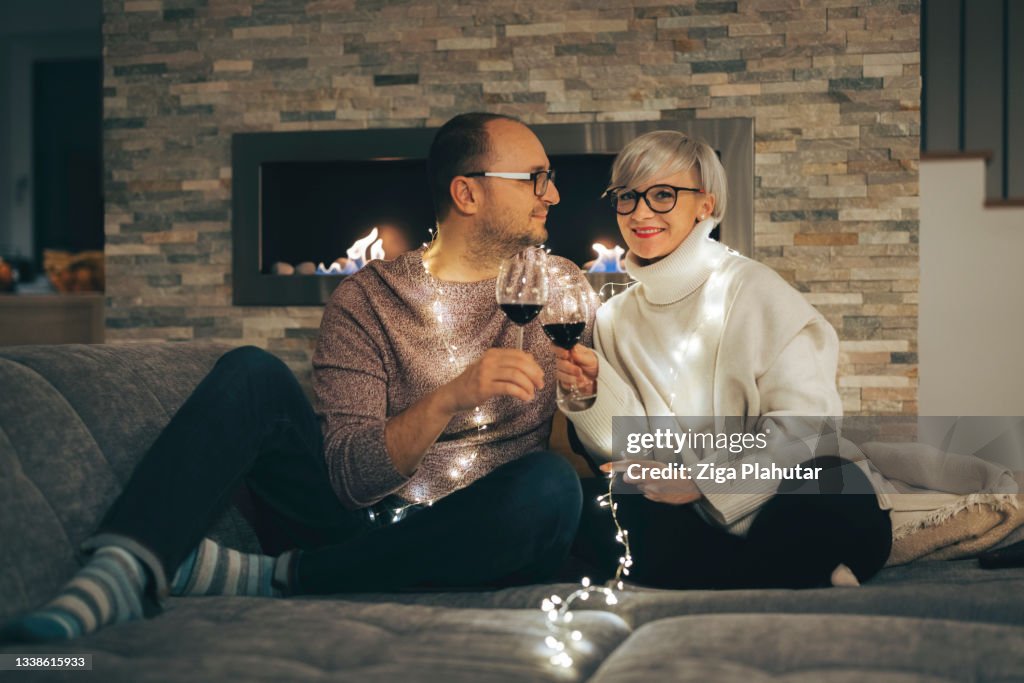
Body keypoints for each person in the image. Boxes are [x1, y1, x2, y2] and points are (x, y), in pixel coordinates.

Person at [4, 112, 591, 643]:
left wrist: (586, 400)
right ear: (467, 192)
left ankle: (275, 577)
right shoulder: (369, 299)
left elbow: (577, 453)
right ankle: (120, 570)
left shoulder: (561, 289)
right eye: (535, 178)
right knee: (251, 372)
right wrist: (452, 397)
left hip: (479, 532)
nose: (554, 194)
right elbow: (347, 478)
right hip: (356, 522)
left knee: (551, 490)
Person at [556, 130, 893, 590]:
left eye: (662, 195)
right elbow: (628, 456)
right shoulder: (615, 317)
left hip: (780, 503)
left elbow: (807, 429)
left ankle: (731, 575)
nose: (640, 213)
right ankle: (798, 575)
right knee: (593, 505)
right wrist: (596, 394)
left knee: (834, 480)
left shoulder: (756, 290)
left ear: (705, 205)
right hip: (682, 517)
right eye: (627, 197)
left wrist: (704, 481)